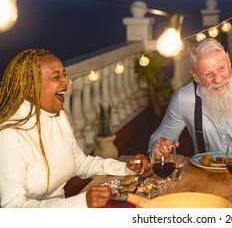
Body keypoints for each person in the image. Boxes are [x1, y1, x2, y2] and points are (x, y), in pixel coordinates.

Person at [0, 49, 150, 208]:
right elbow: (13, 209)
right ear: (30, 87)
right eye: (56, 77)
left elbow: (79, 163)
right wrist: (80, 203)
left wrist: (125, 168)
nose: (67, 81)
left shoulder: (57, 116)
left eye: (64, 74)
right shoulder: (9, 135)